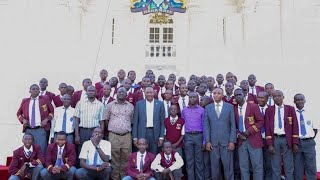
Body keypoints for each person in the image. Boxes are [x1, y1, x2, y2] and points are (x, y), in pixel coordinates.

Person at [265, 90, 299, 180]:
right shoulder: (269, 110)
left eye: (279, 95)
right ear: (272, 98)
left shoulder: (290, 109)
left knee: (289, 165)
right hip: (275, 139)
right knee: (275, 165)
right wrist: (269, 144)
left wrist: (295, 142)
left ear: (283, 97)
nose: (277, 98)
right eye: (275, 96)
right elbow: (267, 128)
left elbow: (295, 125)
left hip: (287, 140)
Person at [204, 88, 236, 180]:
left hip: (226, 143)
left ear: (222, 95)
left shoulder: (229, 107)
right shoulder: (208, 107)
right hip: (213, 143)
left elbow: (233, 125)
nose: (216, 95)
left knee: (228, 168)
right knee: (215, 169)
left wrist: (232, 141)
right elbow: (206, 126)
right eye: (214, 93)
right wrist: (208, 141)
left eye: (218, 93)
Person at [104, 87, 135, 180]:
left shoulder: (131, 106)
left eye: (123, 92)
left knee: (126, 158)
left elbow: (132, 121)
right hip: (113, 135)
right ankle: (115, 178)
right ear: (116, 93)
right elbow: (106, 120)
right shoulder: (110, 105)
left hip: (126, 136)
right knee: (114, 158)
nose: (121, 93)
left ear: (127, 95)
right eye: (119, 91)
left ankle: (124, 177)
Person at [234, 88, 264, 180]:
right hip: (241, 141)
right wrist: (238, 134)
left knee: (257, 166)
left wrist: (249, 131)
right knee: (243, 167)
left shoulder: (253, 106)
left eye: (240, 94)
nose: (238, 97)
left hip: (254, 140)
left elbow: (260, 121)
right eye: (236, 95)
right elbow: (232, 125)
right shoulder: (234, 109)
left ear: (244, 95)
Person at [17, 84, 54, 155]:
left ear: (39, 91)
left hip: (40, 129)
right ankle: (29, 164)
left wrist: (46, 119)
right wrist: (23, 120)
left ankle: (41, 165)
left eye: (37, 89)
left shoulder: (45, 99)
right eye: (33, 89)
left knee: (42, 149)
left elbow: (52, 112)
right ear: (29, 91)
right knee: (29, 149)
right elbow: (18, 113)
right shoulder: (25, 101)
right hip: (29, 129)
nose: (35, 90)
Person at [133, 86, 165, 155]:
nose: (149, 94)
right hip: (142, 133)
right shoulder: (139, 104)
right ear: (144, 93)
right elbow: (135, 122)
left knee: (153, 154)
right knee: (142, 154)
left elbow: (162, 122)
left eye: (151, 92)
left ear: (154, 93)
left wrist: (161, 137)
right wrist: (135, 137)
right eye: (147, 92)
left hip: (155, 134)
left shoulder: (160, 104)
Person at [74, 85, 105, 155]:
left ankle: (93, 166)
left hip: (95, 131)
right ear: (86, 92)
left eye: (93, 91)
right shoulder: (80, 103)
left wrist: (100, 134)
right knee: (82, 150)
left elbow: (101, 121)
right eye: (89, 91)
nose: (91, 92)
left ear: (96, 92)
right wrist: (77, 134)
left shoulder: (100, 105)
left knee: (94, 150)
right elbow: (76, 120)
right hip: (83, 131)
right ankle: (81, 166)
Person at [293, 93, 318, 180]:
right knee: (298, 168)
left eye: (301, 99)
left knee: (311, 167)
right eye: (297, 99)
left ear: (304, 101)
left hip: (309, 143)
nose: (300, 101)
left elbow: (315, 129)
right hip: (297, 143)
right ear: (294, 101)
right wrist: (296, 142)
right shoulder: (292, 114)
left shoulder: (311, 113)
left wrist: (308, 138)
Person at [182, 92, 205, 180]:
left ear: (197, 98)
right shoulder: (184, 110)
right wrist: (183, 139)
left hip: (199, 136)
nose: (192, 99)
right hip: (188, 137)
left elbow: (204, 125)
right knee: (189, 161)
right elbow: (183, 125)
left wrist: (204, 140)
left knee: (199, 161)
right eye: (190, 97)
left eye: (194, 97)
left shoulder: (202, 110)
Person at [257, 91, 272, 180]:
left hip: (268, 140)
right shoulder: (253, 108)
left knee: (268, 163)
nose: (260, 99)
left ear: (267, 99)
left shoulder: (271, 109)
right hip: (256, 140)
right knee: (258, 163)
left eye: (262, 98)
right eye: (258, 97)